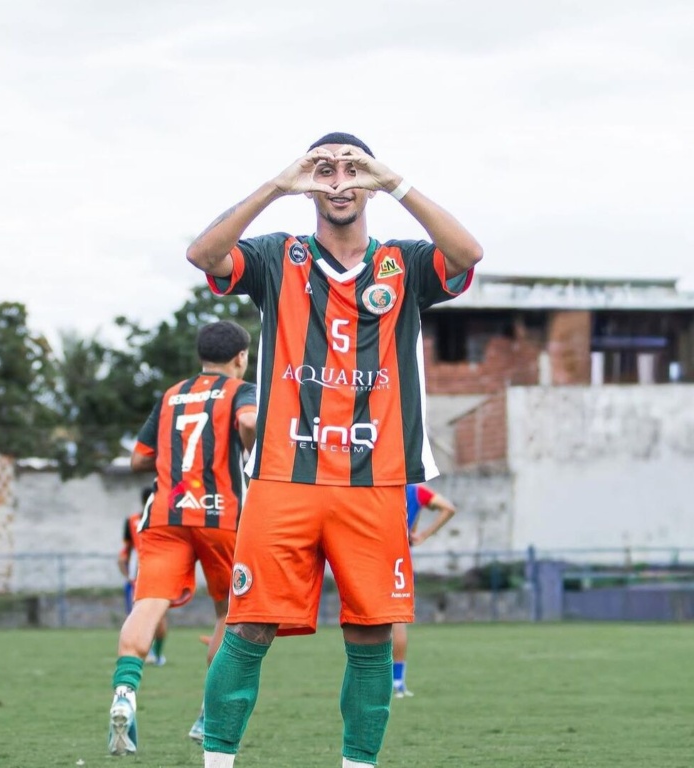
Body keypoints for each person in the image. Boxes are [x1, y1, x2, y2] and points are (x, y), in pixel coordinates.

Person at [186, 131, 483, 768]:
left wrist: (393, 181)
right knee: (248, 627)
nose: (339, 181)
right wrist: (279, 183)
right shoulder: (276, 256)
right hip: (283, 476)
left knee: (372, 634)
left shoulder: (403, 262)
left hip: (375, 480)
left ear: (369, 181)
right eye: (326, 170)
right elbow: (203, 253)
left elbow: (467, 252)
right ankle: (217, 763)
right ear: (310, 181)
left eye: (352, 169)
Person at [107, 320, 257, 756]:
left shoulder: (172, 395)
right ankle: (208, 715)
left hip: (165, 514)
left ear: (200, 356)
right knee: (231, 612)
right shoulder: (239, 390)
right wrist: (249, 439)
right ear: (240, 358)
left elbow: (139, 458)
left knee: (147, 604)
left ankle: (124, 692)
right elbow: (248, 422)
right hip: (220, 516)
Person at [392, 484, 457, 698]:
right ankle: (397, 682)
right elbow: (449, 507)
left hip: (369, 555)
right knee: (397, 621)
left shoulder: (376, 481)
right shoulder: (415, 490)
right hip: (398, 560)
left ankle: (374, 681)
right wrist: (423, 535)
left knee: (365, 623)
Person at [117, 487, 169, 666]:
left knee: (148, 618)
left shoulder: (163, 521)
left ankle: (149, 654)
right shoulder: (135, 521)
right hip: (147, 577)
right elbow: (124, 553)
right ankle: (148, 655)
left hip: (149, 577)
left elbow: (124, 552)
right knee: (147, 617)